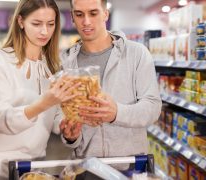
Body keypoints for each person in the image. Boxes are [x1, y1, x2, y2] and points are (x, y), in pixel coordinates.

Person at [0, 0, 80, 179]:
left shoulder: (52, 68)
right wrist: (43, 103)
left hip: (35, 166)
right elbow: (1, 119)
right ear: (21, 21)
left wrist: (67, 131)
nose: (45, 31)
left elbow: (54, 116)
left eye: (51, 24)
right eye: (37, 24)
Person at [59, 0, 162, 174]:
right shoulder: (65, 63)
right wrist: (70, 137)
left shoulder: (136, 53)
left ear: (105, 14)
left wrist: (117, 113)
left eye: (93, 13)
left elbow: (153, 107)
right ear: (72, 17)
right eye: (79, 14)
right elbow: (59, 115)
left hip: (130, 167)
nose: (86, 21)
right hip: (85, 170)